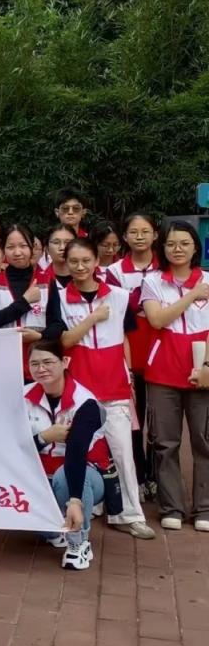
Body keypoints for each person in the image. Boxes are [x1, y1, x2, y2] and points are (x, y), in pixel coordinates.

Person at [44, 238, 155, 539]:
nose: (80, 267)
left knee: (122, 452)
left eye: (86, 260)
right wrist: (92, 318)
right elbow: (63, 341)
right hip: (79, 389)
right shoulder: (59, 297)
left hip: (114, 384)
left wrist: (128, 375)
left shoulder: (119, 296)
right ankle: (88, 504)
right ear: (65, 263)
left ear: (96, 262)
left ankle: (129, 514)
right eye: (74, 261)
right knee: (80, 449)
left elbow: (126, 338)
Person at [140, 222, 209, 532]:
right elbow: (157, 319)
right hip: (163, 372)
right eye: (171, 244)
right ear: (163, 248)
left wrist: (208, 366)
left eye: (184, 243)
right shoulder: (153, 282)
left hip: (202, 370)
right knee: (165, 443)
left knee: (204, 441)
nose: (177, 249)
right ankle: (172, 507)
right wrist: (191, 295)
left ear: (195, 247)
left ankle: (204, 508)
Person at [25, 340, 109, 570]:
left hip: (82, 476)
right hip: (41, 476)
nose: (41, 369)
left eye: (48, 362)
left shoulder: (85, 403)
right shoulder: (22, 398)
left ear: (64, 362)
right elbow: (12, 446)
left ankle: (78, 543)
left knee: (65, 475)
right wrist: (45, 437)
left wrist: (74, 501)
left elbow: (77, 452)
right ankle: (54, 532)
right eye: (35, 364)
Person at [108, 213, 160, 498]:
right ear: (124, 237)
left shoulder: (166, 265)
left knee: (160, 421)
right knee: (134, 419)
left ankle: (157, 477)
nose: (140, 236)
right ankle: (138, 476)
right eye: (133, 232)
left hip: (161, 350)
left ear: (155, 235)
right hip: (129, 350)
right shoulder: (115, 271)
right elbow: (120, 309)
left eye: (145, 231)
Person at [0, 225, 46, 375]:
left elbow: (57, 323)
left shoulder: (47, 280)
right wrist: (25, 301)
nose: (17, 252)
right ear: (3, 250)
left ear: (32, 248)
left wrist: (40, 336)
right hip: (2, 360)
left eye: (23, 246)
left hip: (40, 360)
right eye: (10, 247)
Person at [36, 224, 78, 290]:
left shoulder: (89, 277)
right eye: (56, 242)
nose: (62, 247)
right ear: (46, 248)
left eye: (68, 242)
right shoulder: (38, 280)